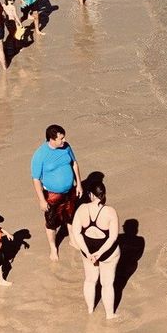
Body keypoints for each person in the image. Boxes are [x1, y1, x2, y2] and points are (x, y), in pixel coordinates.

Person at [31, 124, 84, 261]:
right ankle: (53, 248)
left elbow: (74, 163)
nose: (64, 140)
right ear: (51, 139)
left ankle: (72, 240)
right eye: (61, 138)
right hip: (52, 194)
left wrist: (78, 184)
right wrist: (42, 200)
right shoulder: (40, 155)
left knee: (70, 215)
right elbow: (36, 179)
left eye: (64, 137)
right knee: (52, 222)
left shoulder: (66, 147)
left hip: (70, 191)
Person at [71, 182, 120, 319]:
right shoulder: (110, 212)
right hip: (108, 253)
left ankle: (90, 309)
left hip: (88, 250)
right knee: (107, 283)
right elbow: (112, 237)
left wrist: (88, 253)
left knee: (90, 280)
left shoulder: (82, 209)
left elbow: (76, 233)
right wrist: (100, 253)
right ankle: (109, 314)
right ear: (103, 195)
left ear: (90, 194)